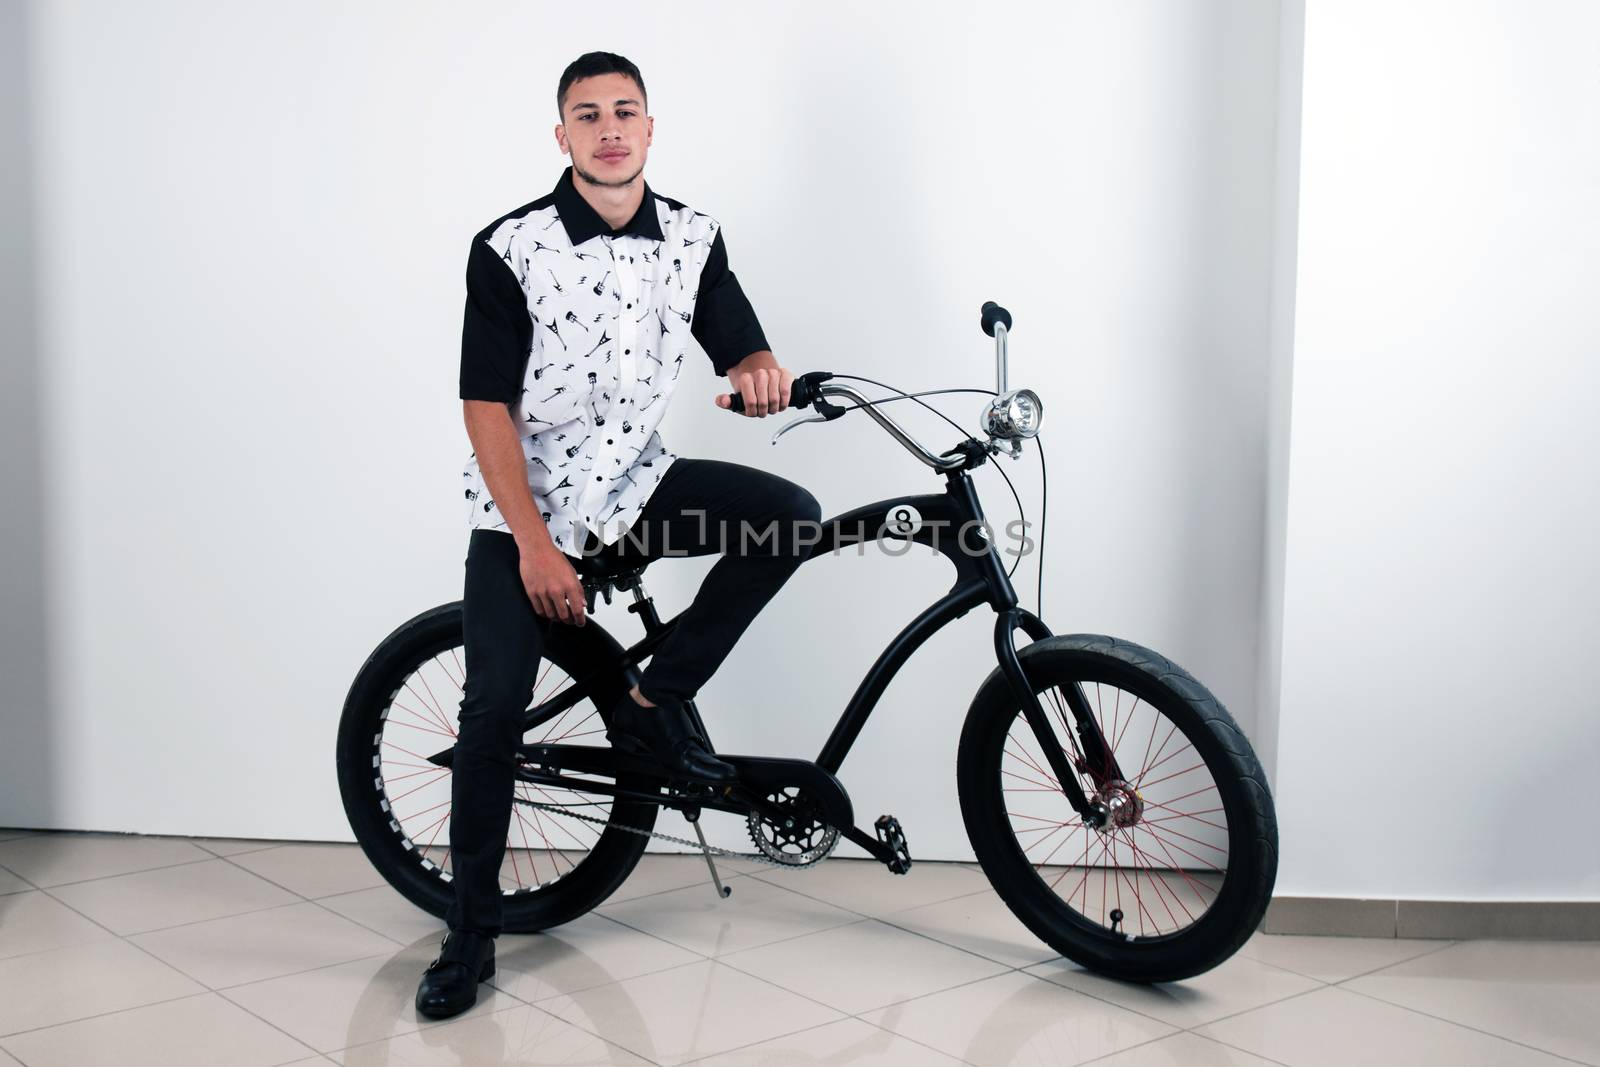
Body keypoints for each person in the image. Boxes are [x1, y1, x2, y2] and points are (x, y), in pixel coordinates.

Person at [415, 51, 821, 1020]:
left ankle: (651, 692)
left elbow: (738, 338)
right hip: (524, 512)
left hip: (634, 489)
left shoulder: (691, 237)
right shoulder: (509, 248)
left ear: (649, 129)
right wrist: (534, 544)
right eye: (586, 114)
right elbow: (484, 409)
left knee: (789, 520)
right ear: (561, 136)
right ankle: (470, 932)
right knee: (492, 713)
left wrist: (761, 366)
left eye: (624, 112)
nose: (607, 129)